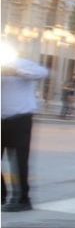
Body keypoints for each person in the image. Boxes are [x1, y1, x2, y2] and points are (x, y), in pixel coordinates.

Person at [1, 56, 49, 212]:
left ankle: (23, 199)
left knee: (19, 161)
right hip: (1, 119)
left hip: (20, 120)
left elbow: (42, 73)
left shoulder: (23, 64)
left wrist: (16, 71)